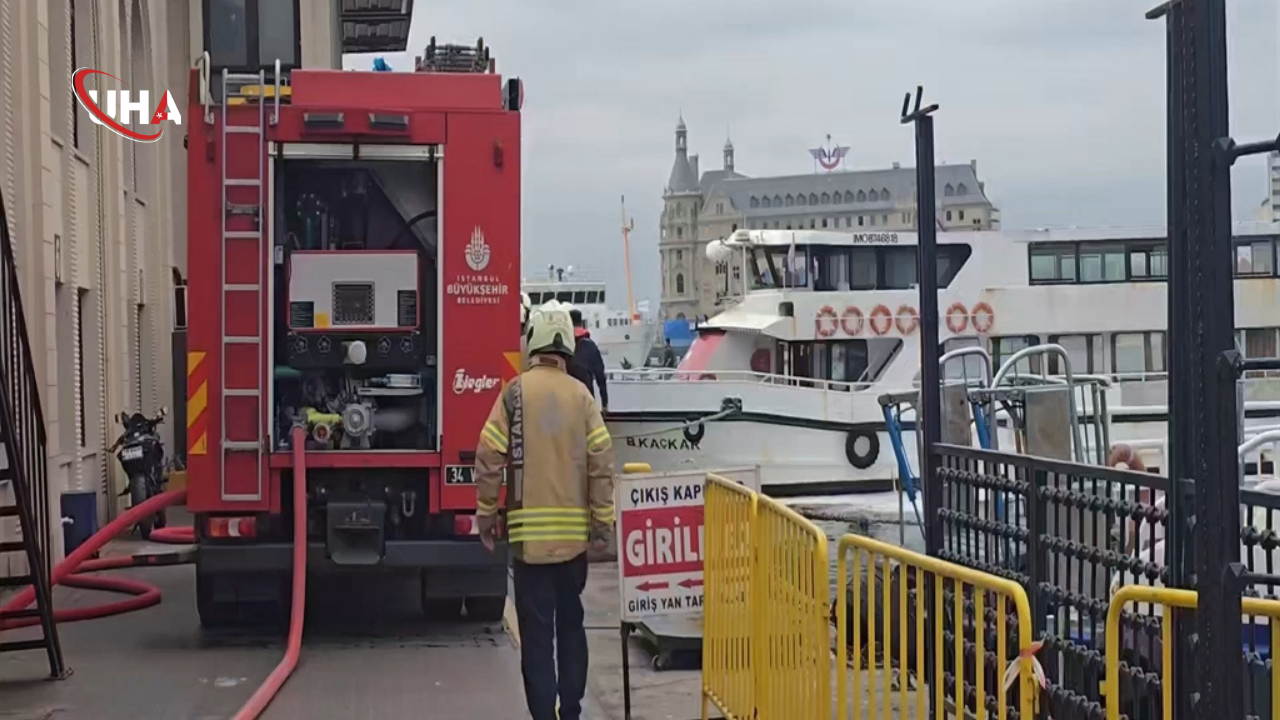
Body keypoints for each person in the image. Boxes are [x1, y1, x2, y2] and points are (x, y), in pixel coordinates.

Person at [473, 300, 616, 720]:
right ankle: (571, 710)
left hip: (528, 547)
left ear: (532, 343)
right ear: (568, 344)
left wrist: (486, 515)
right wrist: (602, 523)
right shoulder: (582, 396)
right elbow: (602, 462)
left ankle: (542, 713)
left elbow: (488, 455)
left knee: (536, 637)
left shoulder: (514, 394)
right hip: (573, 547)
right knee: (571, 627)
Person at [568, 308, 609, 411]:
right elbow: (600, 375)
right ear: (581, 323)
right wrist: (604, 403)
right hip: (587, 397)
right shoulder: (591, 345)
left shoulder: (564, 346)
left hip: (566, 399)